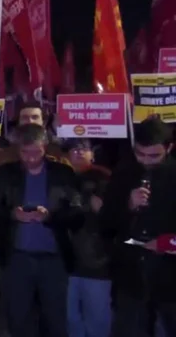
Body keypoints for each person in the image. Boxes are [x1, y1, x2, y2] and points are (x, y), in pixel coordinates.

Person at [0, 123, 83, 337]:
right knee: (19, 319)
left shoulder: (63, 173)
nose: (31, 158)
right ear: (17, 149)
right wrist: (13, 215)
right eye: (25, 152)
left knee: (56, 320)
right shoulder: (5, 173)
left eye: (36, 152)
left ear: (46, 147)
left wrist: (50, 216)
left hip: (54, 260)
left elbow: (77, 214)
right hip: (17, 259)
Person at [102, 118, 176, 336]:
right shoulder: (124, 173)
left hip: (171, 279)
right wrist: (128, 205)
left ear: (169, 147)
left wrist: (166, 243)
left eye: (154, 155)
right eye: (140, 154)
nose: (146, 161)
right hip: (131, 278)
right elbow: (106, 224)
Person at [61, 138, 113, 337]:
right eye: (73, 148)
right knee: (70, 319)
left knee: (97, 321)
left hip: (97, 263)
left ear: (93, 152)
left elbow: (116, 219)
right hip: (65, 262)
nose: (78, 152)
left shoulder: (104, 177)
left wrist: (104, 208)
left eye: (83, 148)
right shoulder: (61, 177)